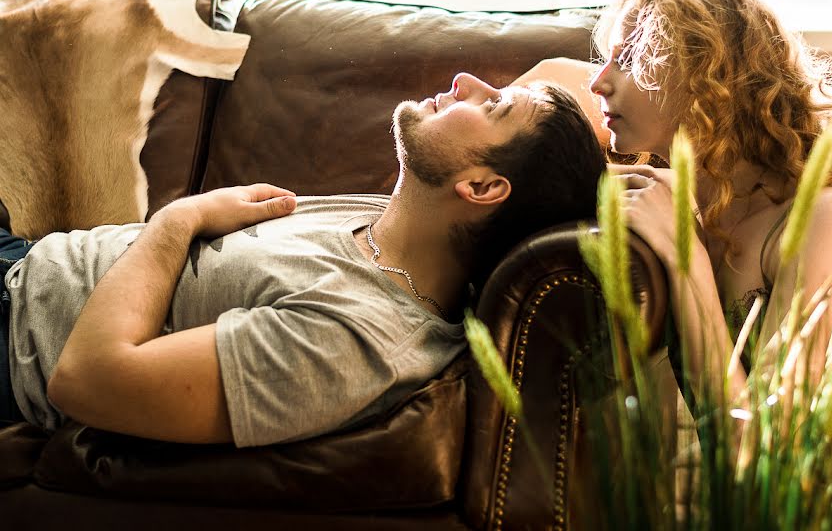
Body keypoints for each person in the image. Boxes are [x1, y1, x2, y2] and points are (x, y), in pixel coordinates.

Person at [0, 72, 605, 448]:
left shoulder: (355, 340)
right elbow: (557, 79)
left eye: (494, 104)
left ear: (480, 188)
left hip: (11, 332)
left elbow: (87, 380)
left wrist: (179, 220)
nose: (468, 79)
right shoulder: (389, 222)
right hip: (20, 256)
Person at [516, 0, 832, 486]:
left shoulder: (821, 219)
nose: (600, 81)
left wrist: (685, 266)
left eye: (627, 59)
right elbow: (548, 78)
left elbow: (767, 460)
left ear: (704, 79)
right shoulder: (689, 199)